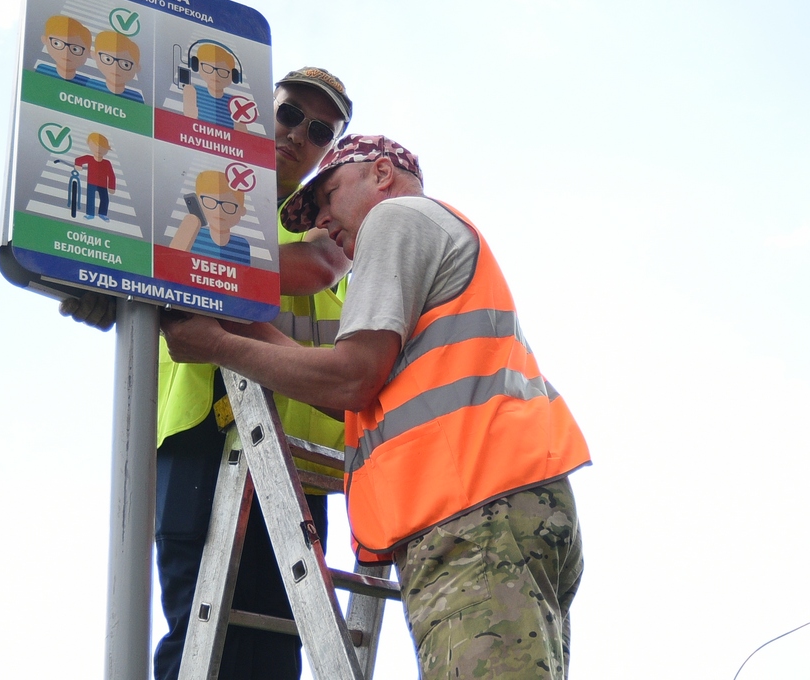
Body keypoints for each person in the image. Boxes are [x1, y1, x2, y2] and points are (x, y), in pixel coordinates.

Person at [161, 135, 590, 680]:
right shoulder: (421, 251)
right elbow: (346, 375)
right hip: (491, 506)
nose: (320, 220)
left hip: (475, 507)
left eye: (328, 195)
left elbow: (349, 380)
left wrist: (218, 346)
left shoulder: (394, 219)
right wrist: (230, 320)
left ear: (381, 173)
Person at [149, 68, 357, 680]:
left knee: (275, 650)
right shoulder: (199, 184)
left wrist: (197, 268)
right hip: (201, 438)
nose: (298, 133)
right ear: (257, 110)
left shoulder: (334, 223)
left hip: (297, 462)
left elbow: (319, 264)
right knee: (198, 633)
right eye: (290, 113)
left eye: (320, 129)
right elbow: (137, 259)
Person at [169, 170, 253, 262]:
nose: (218, 210)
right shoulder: (193, 233)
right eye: (209, 201)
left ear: (242, 211)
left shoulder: (242, 245)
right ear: (198, 203)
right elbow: (172, 260)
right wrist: (190, 224)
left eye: (228, 206)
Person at [181, 41, 242, 127]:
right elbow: (189, 120)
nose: (215, 75)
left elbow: (242, 132)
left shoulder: (234, 103)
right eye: (207, 67)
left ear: (234, 76)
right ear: (196, 66)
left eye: (223, 71)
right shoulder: (192, 91)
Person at [85, 30, 146, 102]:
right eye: (108, 59)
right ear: (94, 55)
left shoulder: (136, 97)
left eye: (125, 64)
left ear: (137, 68)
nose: (115, 67)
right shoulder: (90, 84)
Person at [75, 133, 116, 221]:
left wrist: (111, 187)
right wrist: (78, 165)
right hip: (91, 183)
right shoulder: (89, 158)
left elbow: (111, 175)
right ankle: (90, 214)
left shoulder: (107, 163)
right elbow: (78, 160)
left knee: (104, 199)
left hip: (103, 185)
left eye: (102, 147)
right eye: (94, 146)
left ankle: (103, 213)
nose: (98, 150)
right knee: (90, 198)